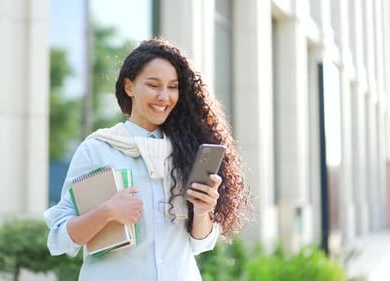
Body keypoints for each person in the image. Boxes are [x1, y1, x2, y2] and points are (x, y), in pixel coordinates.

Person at [44, 38, 251, 281]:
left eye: (173, 87)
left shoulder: (186, 153)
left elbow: (199, 245)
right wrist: (108, 212)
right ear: (129, 87)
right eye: (153, 85)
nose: (164, 96)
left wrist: (203, 210)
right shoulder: (98, 149)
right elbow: (58, 240)